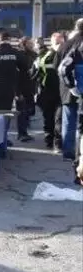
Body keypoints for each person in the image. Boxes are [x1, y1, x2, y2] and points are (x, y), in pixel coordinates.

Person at [0, 29, 33, 142]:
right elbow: (26, 68)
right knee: (5, 115)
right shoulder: (16, 53)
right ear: (10, 40)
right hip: (9, 89)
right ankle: (3, 139)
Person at [57, 18, 83, 167]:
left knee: (69, 121)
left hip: (67, 89)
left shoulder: (65, 45)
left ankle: (68, 152)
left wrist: (70, 86)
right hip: (76, 87)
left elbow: (58, 67)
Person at [36, 34, 63, 151]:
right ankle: (49, 140)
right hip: (48, 91)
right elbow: (35, 72)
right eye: (57, 43)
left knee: (58, 119)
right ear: (52, 43)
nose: (59, 45)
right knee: (49, 117)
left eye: (60, 43)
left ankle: (56, 142)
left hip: (59, 92)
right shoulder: (44, 55)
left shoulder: (64, 54)